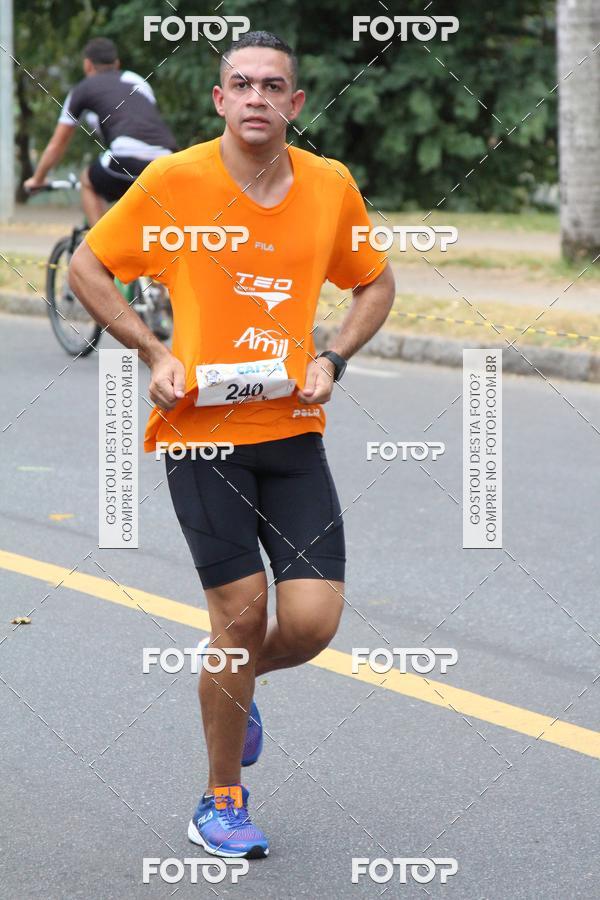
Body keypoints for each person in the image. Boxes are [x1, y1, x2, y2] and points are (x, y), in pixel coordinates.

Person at [69, 30, 395, 860]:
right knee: (241, 617)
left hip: (292, 432)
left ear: (294, 102)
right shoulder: (176, 182)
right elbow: (89, 267)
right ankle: (220, 801)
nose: (256, 96)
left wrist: (333, 356)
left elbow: (376, 281)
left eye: (272, 85)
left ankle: (234, 686)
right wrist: (153, 350)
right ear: (219, 101)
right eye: (240, 83)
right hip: (200, 434)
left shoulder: (329, 186)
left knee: (313, 624)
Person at [24, 37, 177, 225]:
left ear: (87, 65)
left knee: (87, 181)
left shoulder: (81, 90)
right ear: (117, 64)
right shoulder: (137, 80)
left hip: (126, 155)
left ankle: (99, 250)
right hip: (167, 159)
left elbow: (57, 144)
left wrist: (38, 179)